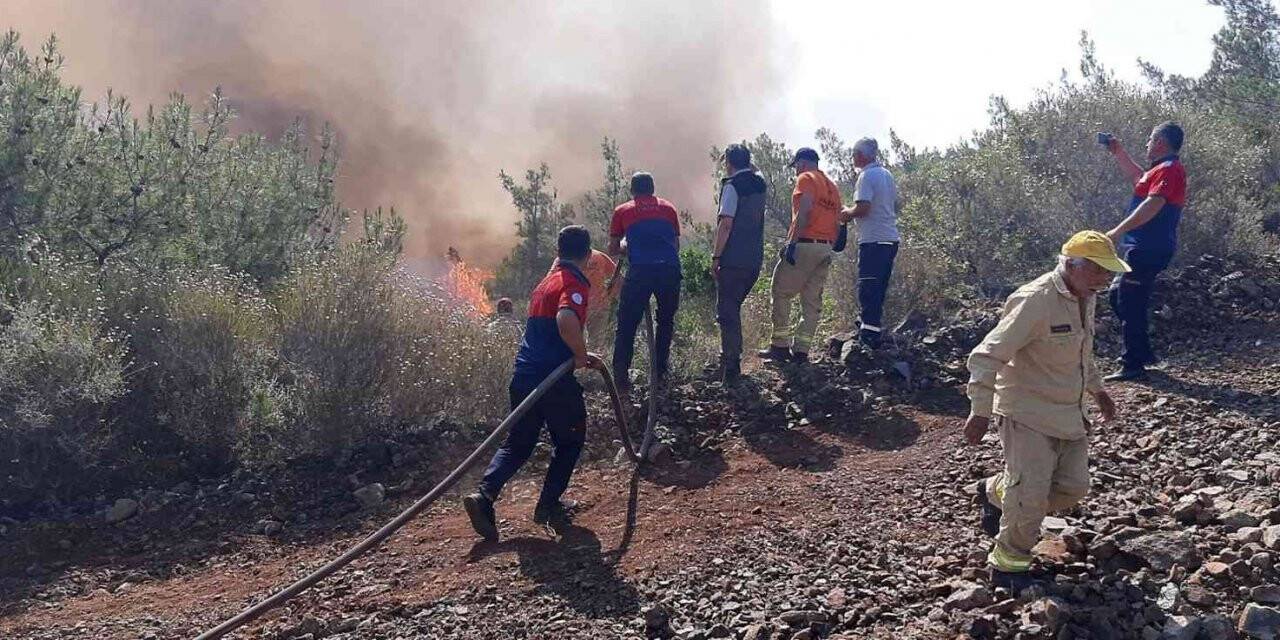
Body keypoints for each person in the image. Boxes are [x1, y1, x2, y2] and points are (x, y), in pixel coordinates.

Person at [963, 231, 1124, 591]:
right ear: (1071, 265)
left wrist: (1099, 392)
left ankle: (995, 491)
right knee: (1031, 497)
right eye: (1098, 271)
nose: (1105, 279)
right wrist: (980, 411)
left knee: (1072, 487)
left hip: (1068, 411)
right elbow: (986, 356)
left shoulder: (1086, 295)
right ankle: (1007, 566)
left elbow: (1081, 353)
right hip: (1027, 412)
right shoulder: (1034, 301)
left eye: (1108, 272)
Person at [463, 225, 603, 541]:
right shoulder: (573, 282)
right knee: (570, 441)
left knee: (518, 443)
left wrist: (578, 353)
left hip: (524, 377)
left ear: (558, 251)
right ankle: (548, 507)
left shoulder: (543, 284)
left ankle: (484, 497)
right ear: (588, 255)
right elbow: (566, 320)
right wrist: (580, 356)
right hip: (553, 381)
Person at [1101, 122, 1187, 381]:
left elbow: (1153, 204)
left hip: (1149, 248)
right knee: (1119, 296)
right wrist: (1118, 152)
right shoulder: (1160, 170)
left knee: (1128, 299)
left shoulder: (1170, 169)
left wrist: (1116, 231)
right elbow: (1137, 178)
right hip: (1141, 248)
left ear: (1160, 142)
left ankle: (1133, 364)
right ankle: (1142, 354)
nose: (1146, 144)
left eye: (1150, 139)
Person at [759, 147, 842, 363]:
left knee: (781, 292)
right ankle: (802, 351)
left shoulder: (806, 179)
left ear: (801, 163)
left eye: (796, 165)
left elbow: (803, 212)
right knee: (812, 301)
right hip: (825, 248)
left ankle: (779, 346)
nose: (795, 170)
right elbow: (839, 219)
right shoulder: (832, 186)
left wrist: (791, 243)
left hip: (805, 244)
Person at [609, 172, 682, 391]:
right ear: (653, 189)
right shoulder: (669, 208)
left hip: (640, 271)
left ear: (632, 190)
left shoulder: (623, 210)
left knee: (627, 325)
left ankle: (620, 380)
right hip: (669, 269)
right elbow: (675, 245)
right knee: (666, 322)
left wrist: (628, 247)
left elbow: (613, 249)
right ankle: (660, 374)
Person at [712, 143, 767, 384]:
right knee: (732, 309)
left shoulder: (732, 187)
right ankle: (729, 362)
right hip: (754, 260)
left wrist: (716, 257)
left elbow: (726, 224)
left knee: (728, 312)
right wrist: (747, 166)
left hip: (733, 260)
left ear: (729, 163)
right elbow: (757, 170)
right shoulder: (760, 183)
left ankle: (731, 366)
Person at [840, 137, 900, 349]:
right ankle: (871, 328)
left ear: (861, 155)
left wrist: (846, 214)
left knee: (868, 286)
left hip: (874, 240)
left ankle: (868, 335)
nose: (852, 158)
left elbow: (863, 208)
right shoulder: (886, 174)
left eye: (854, 154)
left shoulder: (866, 176)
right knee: (879, 286)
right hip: (890, 239)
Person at [549, 248, 619, 349]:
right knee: (596, 346)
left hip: (573, 307)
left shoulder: (561, 260)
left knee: (572, 346)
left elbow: (550, 281)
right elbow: (618, 279)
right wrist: (609, 296)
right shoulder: (600, 256)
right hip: (596, 306)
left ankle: (577, 362)